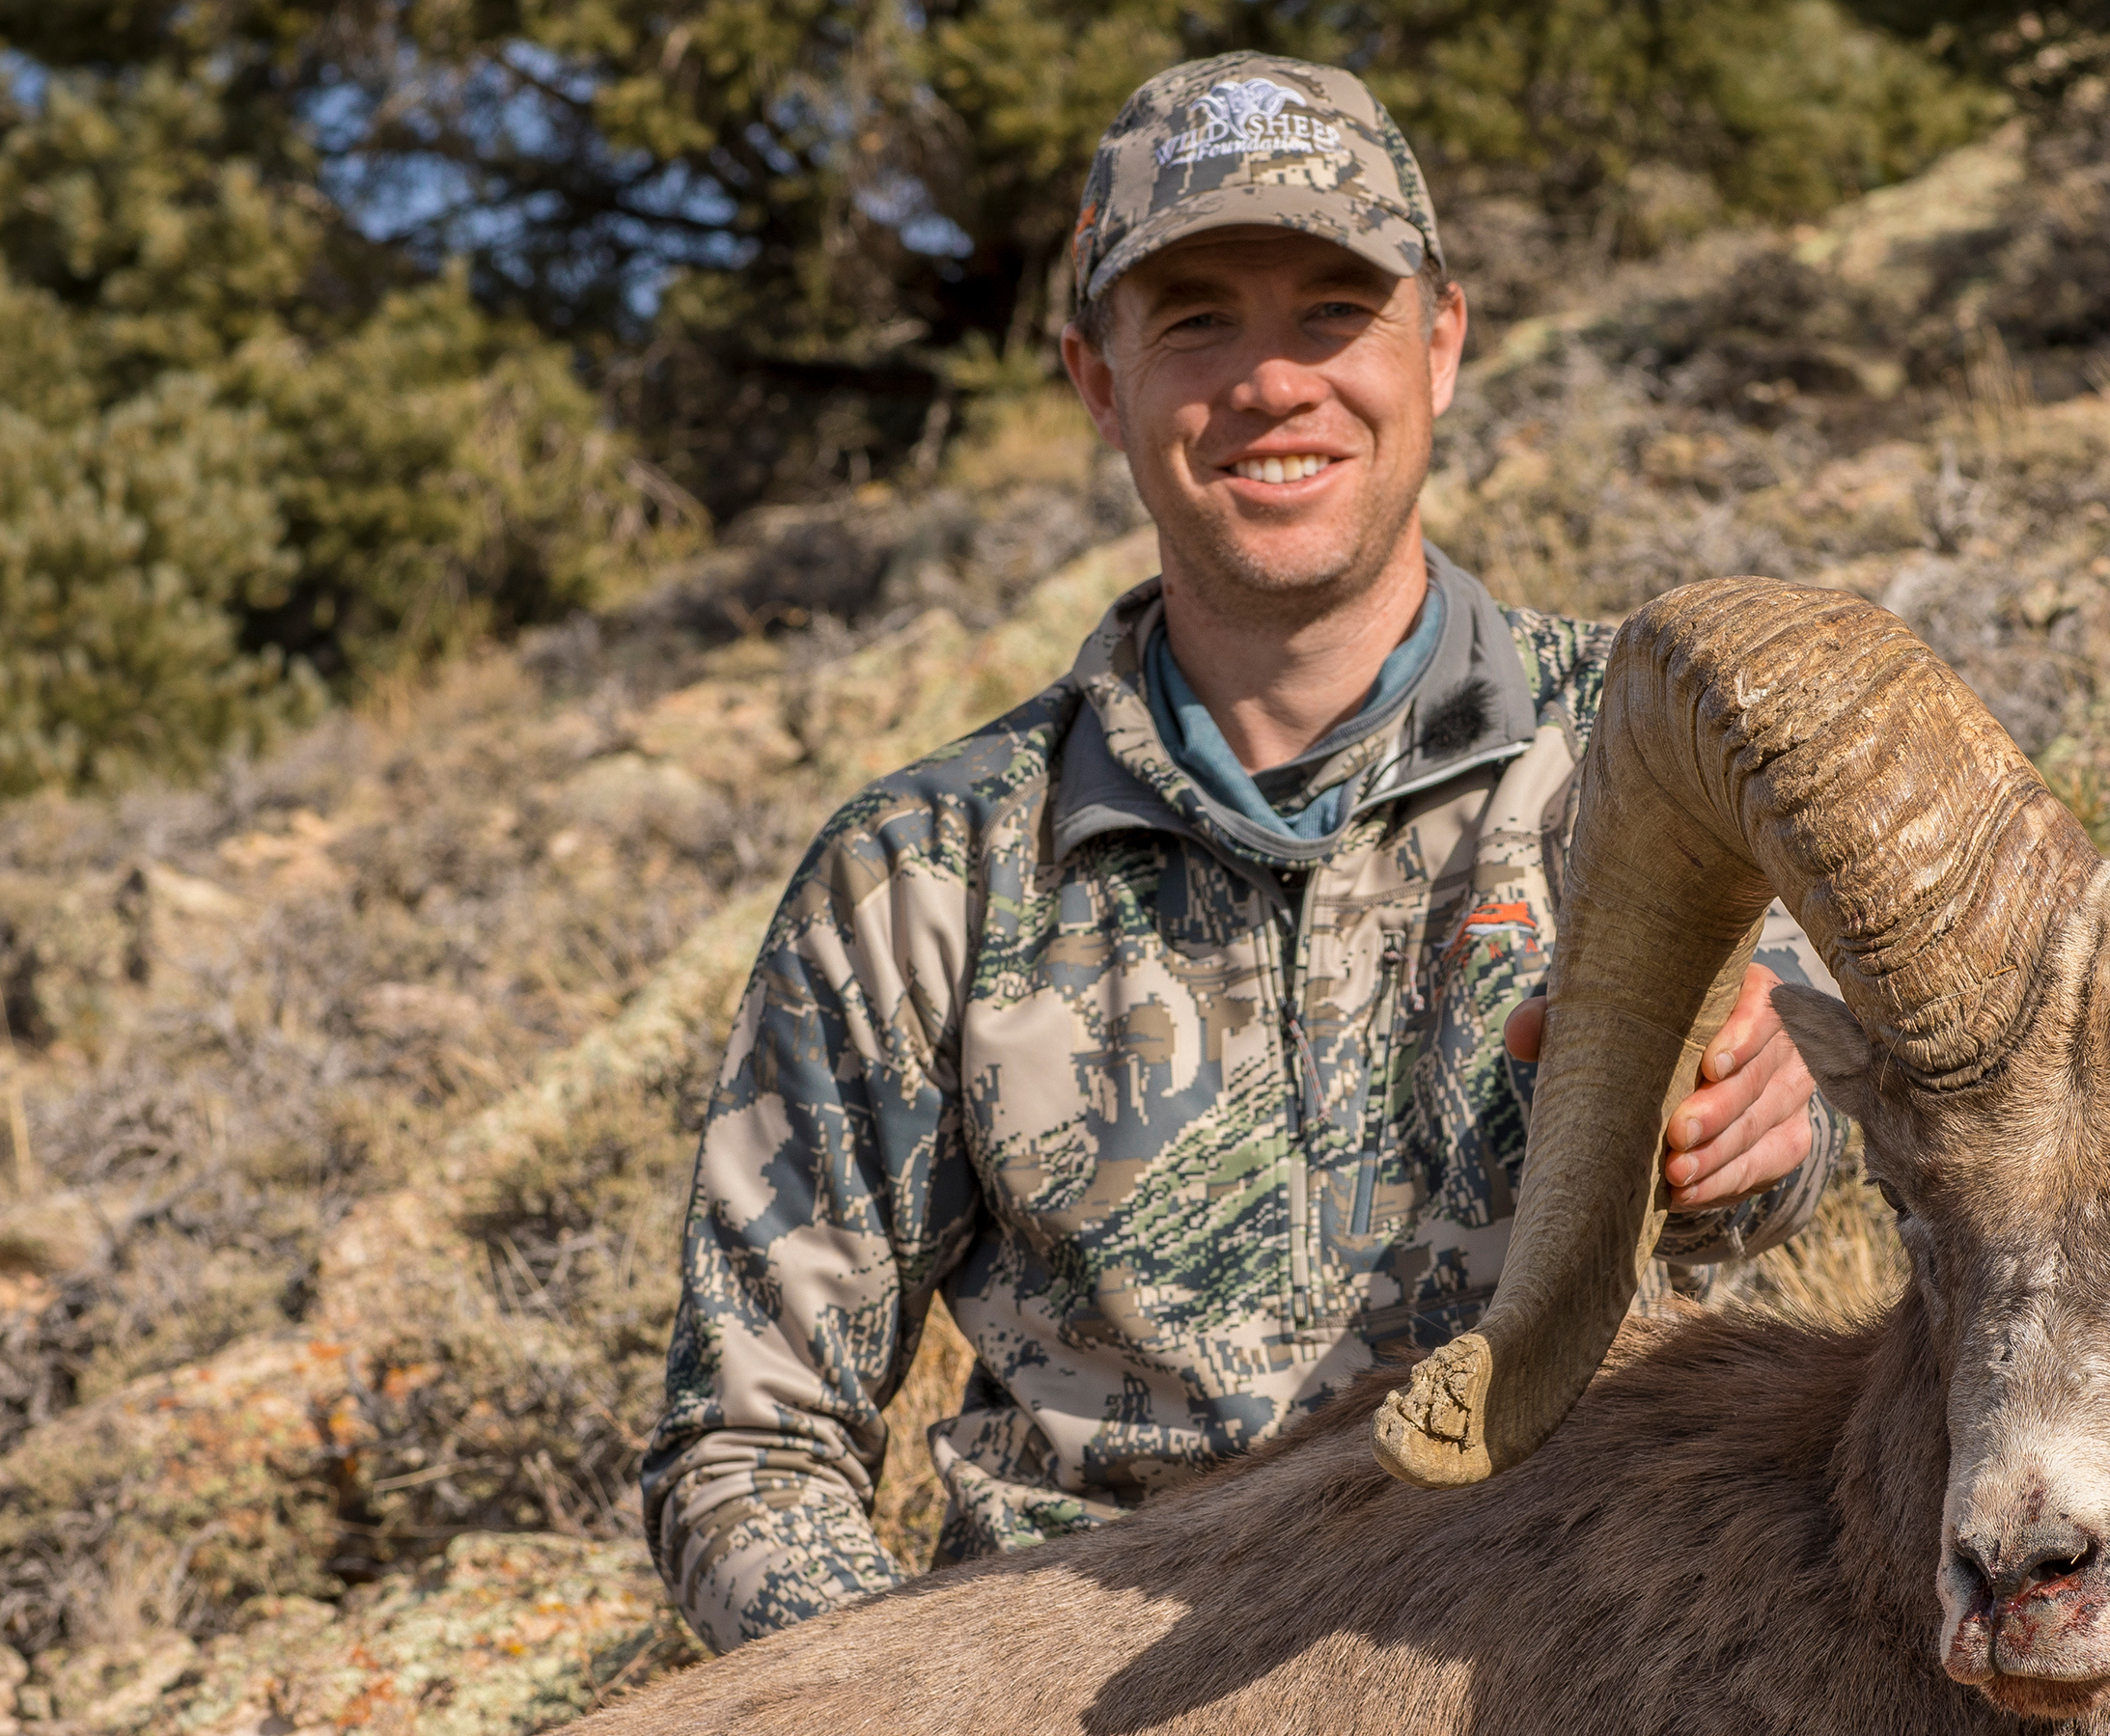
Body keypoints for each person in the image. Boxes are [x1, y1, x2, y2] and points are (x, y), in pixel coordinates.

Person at [640, 52, 1838, 1652]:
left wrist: (1782, 1127)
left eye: (1332, 311)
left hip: (1581, 1653)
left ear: (1443, 343)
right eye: (1197, 318)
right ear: (1094, 378)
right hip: (1080, 1721)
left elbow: (1879, 1127)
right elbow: (747, 1446)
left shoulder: (1657, 752)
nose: (1273, 382)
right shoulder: (923, 873)